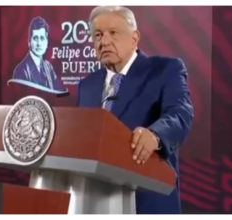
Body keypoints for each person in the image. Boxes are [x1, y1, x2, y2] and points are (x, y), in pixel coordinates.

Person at [77, 6, 194, 214]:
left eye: (113, 33)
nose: (104, 42)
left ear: (134, 38)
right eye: (98, 35)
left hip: (146, 200)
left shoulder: (166, 70)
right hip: (94, 201)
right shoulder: (87, 85)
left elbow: (180, 113)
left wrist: (155, 135)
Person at [11, 16, 67, 94]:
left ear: (47, 42)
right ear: (29, 42)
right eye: (35, 38)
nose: (39, 43)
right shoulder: (21, 70)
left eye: (42, 38)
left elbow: (59, 92)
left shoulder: (48, 66)